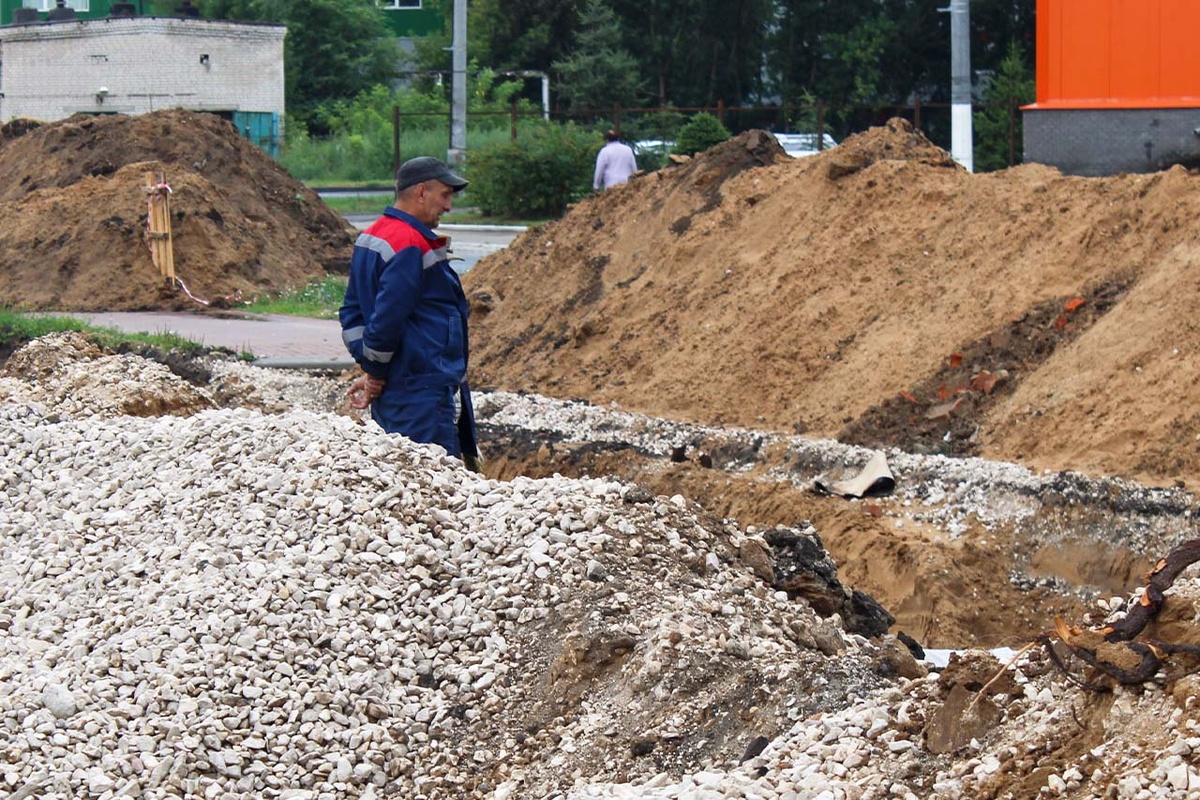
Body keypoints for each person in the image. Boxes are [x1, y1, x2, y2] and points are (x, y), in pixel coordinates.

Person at [339, 156, 482, 470]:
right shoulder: (409, 243)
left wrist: (371, 367)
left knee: (402, 478)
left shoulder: (372, 236)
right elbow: (387, 319)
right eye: (444, 195)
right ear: (421, 192)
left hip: (401, 388)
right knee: (434, 485)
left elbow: (353, 313)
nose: (448, 206)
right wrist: (374, 373)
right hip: (420, 391)